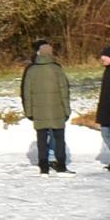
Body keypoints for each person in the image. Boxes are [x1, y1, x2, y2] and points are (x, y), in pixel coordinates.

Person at [22, 40, 71, 174]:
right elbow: (64, 91)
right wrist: (67, 110)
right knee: (59, 138)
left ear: (38, 53)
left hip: (39, 112)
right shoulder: (57, 69)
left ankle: (43, 167)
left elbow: (27, 93)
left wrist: (29, 111)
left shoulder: (31, 70)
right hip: (57, 111)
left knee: (41, 139)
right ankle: (61, 166)